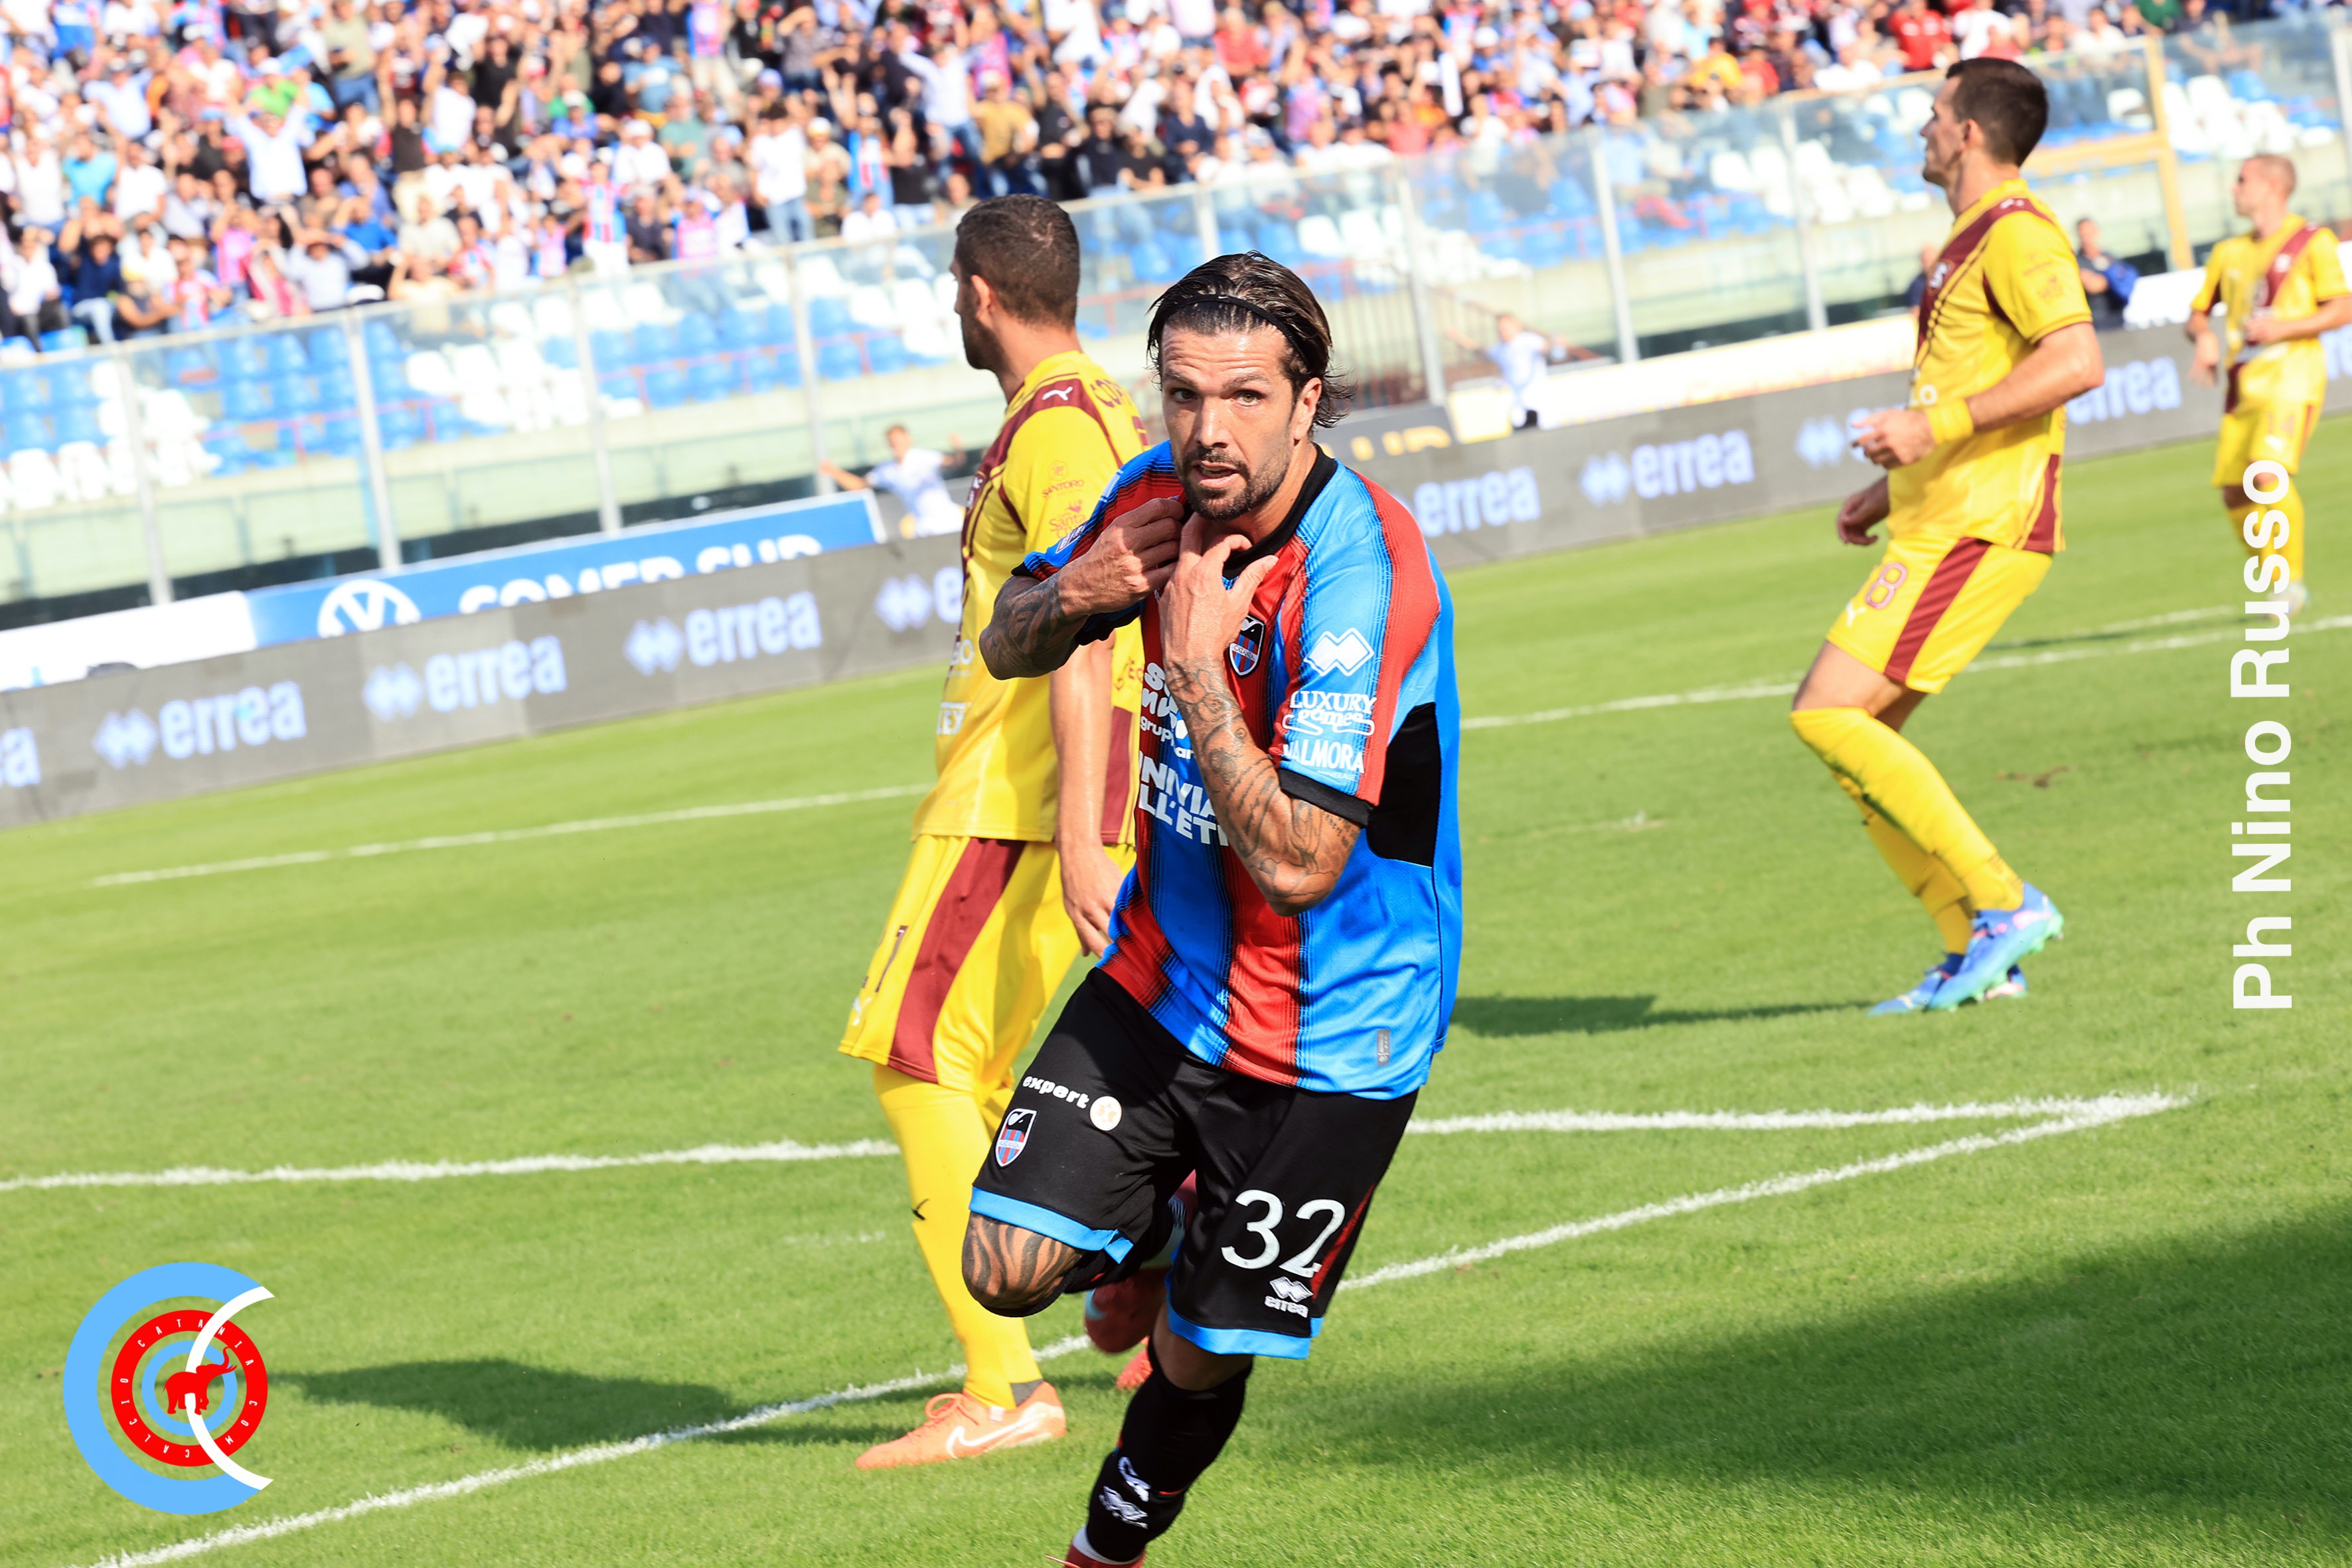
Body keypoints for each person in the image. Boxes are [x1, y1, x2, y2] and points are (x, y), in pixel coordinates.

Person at [963, 252, 1461, 1568]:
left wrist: (1189, 667)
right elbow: (1007, 638)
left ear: (1309, 402)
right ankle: (1152, 1226)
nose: (1207, 430)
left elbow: (1299, 862)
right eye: (1183, 394)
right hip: (1163, 974)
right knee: (1002, 1265)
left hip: (1334, 1031)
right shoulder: (1149, 495)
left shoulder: (1363, 577)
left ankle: (1108, 1541)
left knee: (1194, 1351)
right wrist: (1077, 593)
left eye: (1244, 396)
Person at [835, 195, 1150, 1472]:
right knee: (967, 1075)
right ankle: (1145, 1283)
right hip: (1029, 801)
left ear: (978, 294)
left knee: (916, 1060)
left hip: (1016, 805)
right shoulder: (1075, 409)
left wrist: (1077, 828)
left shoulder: (1062, 426)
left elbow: (1089, 617)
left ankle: (1003, 1384)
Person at [1792, 58, 2103, 1016]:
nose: (1921, 130)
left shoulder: (2016, 232)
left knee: (1826, 713)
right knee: (1858, 739)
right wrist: (1886, 488)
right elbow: (1964, 384)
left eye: (1932, 114)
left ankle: (2004, 902)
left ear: (1968, 131)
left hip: (1982, 524)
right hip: (1937, 518)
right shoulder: (1967, 239)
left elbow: (2076, 358)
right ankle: (1975, 944)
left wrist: (1932, 429)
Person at [2185, 154, 2349, 619]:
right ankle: (2277, 576)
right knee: (2235, 494)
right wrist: (2203, 337)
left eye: (2242, 180)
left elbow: (2341, 308)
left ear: (2272, 187)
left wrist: (2284, 328)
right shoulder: (2228, 252)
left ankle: (2289, 583)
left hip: (2291, 376)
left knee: (2265, 474)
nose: (2233, 189)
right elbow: (2197, 314)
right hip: (2243, 385)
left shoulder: (2310, 240)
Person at [820, 424, 968, 538]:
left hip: (949, 520)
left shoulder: (924, 457)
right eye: (892, 441)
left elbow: (956, 462)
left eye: (898, 440)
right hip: (923, 527)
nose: (895, 444)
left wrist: (957, 447)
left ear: (908, 439)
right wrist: (834, 471)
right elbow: (859, 485)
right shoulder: (887, 470)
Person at [1447, 310, 1575, 429]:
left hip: (1538, 400)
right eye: (1500, 329)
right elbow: (1481, 352)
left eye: (1506, 328)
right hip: (1517, 404)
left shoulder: (1529, 340)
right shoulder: (1500, 349)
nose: (1503, 332)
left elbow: (1549, 350)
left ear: (1517, 326)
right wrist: (1459, 339)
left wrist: (1557, 344)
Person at [2075, 217, 2138, 327]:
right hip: (2095, 324)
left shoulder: (2109, 257)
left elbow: (2125, 279)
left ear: (2097, 232)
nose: (2087, 236)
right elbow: (2093, 285)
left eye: (2090, 232)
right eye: (2084, 233)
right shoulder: (2077, 262)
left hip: (2118, 320)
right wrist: (2112, 279)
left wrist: (2105, 280)